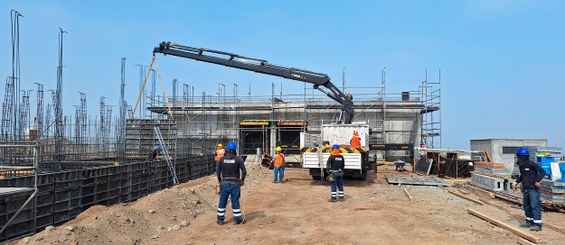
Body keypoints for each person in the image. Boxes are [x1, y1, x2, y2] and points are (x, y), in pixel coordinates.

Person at [512, 147, 546, 231]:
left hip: (533, 189)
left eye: (519, 156)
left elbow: (543, 172)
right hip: (526, 189)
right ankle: (529, 221)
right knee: (527, 206)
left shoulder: (531, 163)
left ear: (523, 156)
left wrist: (538, 181)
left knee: (535, 206)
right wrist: (516, 182)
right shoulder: (521, 165)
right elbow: (522, 176)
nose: (518, 158)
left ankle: (538, 224)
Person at [216, 141, 247, 225]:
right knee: (235, 201)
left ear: (228, 150)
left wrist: (219, 180)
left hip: (224, 182)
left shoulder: (222, 159)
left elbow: (218, 172)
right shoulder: (238, 159)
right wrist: (242, 180)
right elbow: (244, 171)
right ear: (235, 150)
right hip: (235, 183)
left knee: (222, 200)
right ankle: (237, 219)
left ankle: (220, 219)